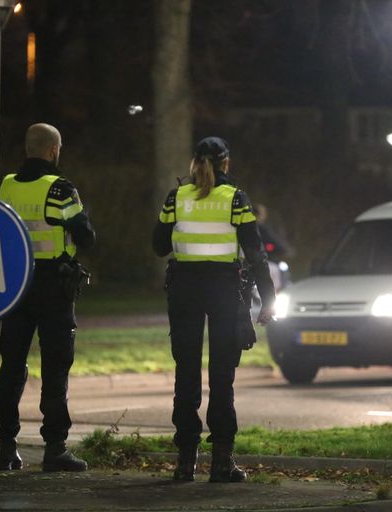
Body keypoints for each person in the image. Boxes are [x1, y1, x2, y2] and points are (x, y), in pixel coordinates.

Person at [152, 136, 276, 483]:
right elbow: (255, 252)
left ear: (194, 162)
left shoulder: (176, 198)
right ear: (226, 163)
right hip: (224, 291)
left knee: (186, 373)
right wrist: (269, 297)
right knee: (222, 377)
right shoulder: (236, 198)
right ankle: (222, 461)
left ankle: (184, 462)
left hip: (184, 290)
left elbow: (159, 246)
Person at [0, 123, 96, 471]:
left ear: (27, 149)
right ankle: (55, 448)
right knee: (55, 367)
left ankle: (6, 446)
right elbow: (86, 237)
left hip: (14, 287)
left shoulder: (6, 186)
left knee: (11, 366)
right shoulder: (60, 190)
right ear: (53, 151)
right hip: (52, 287)